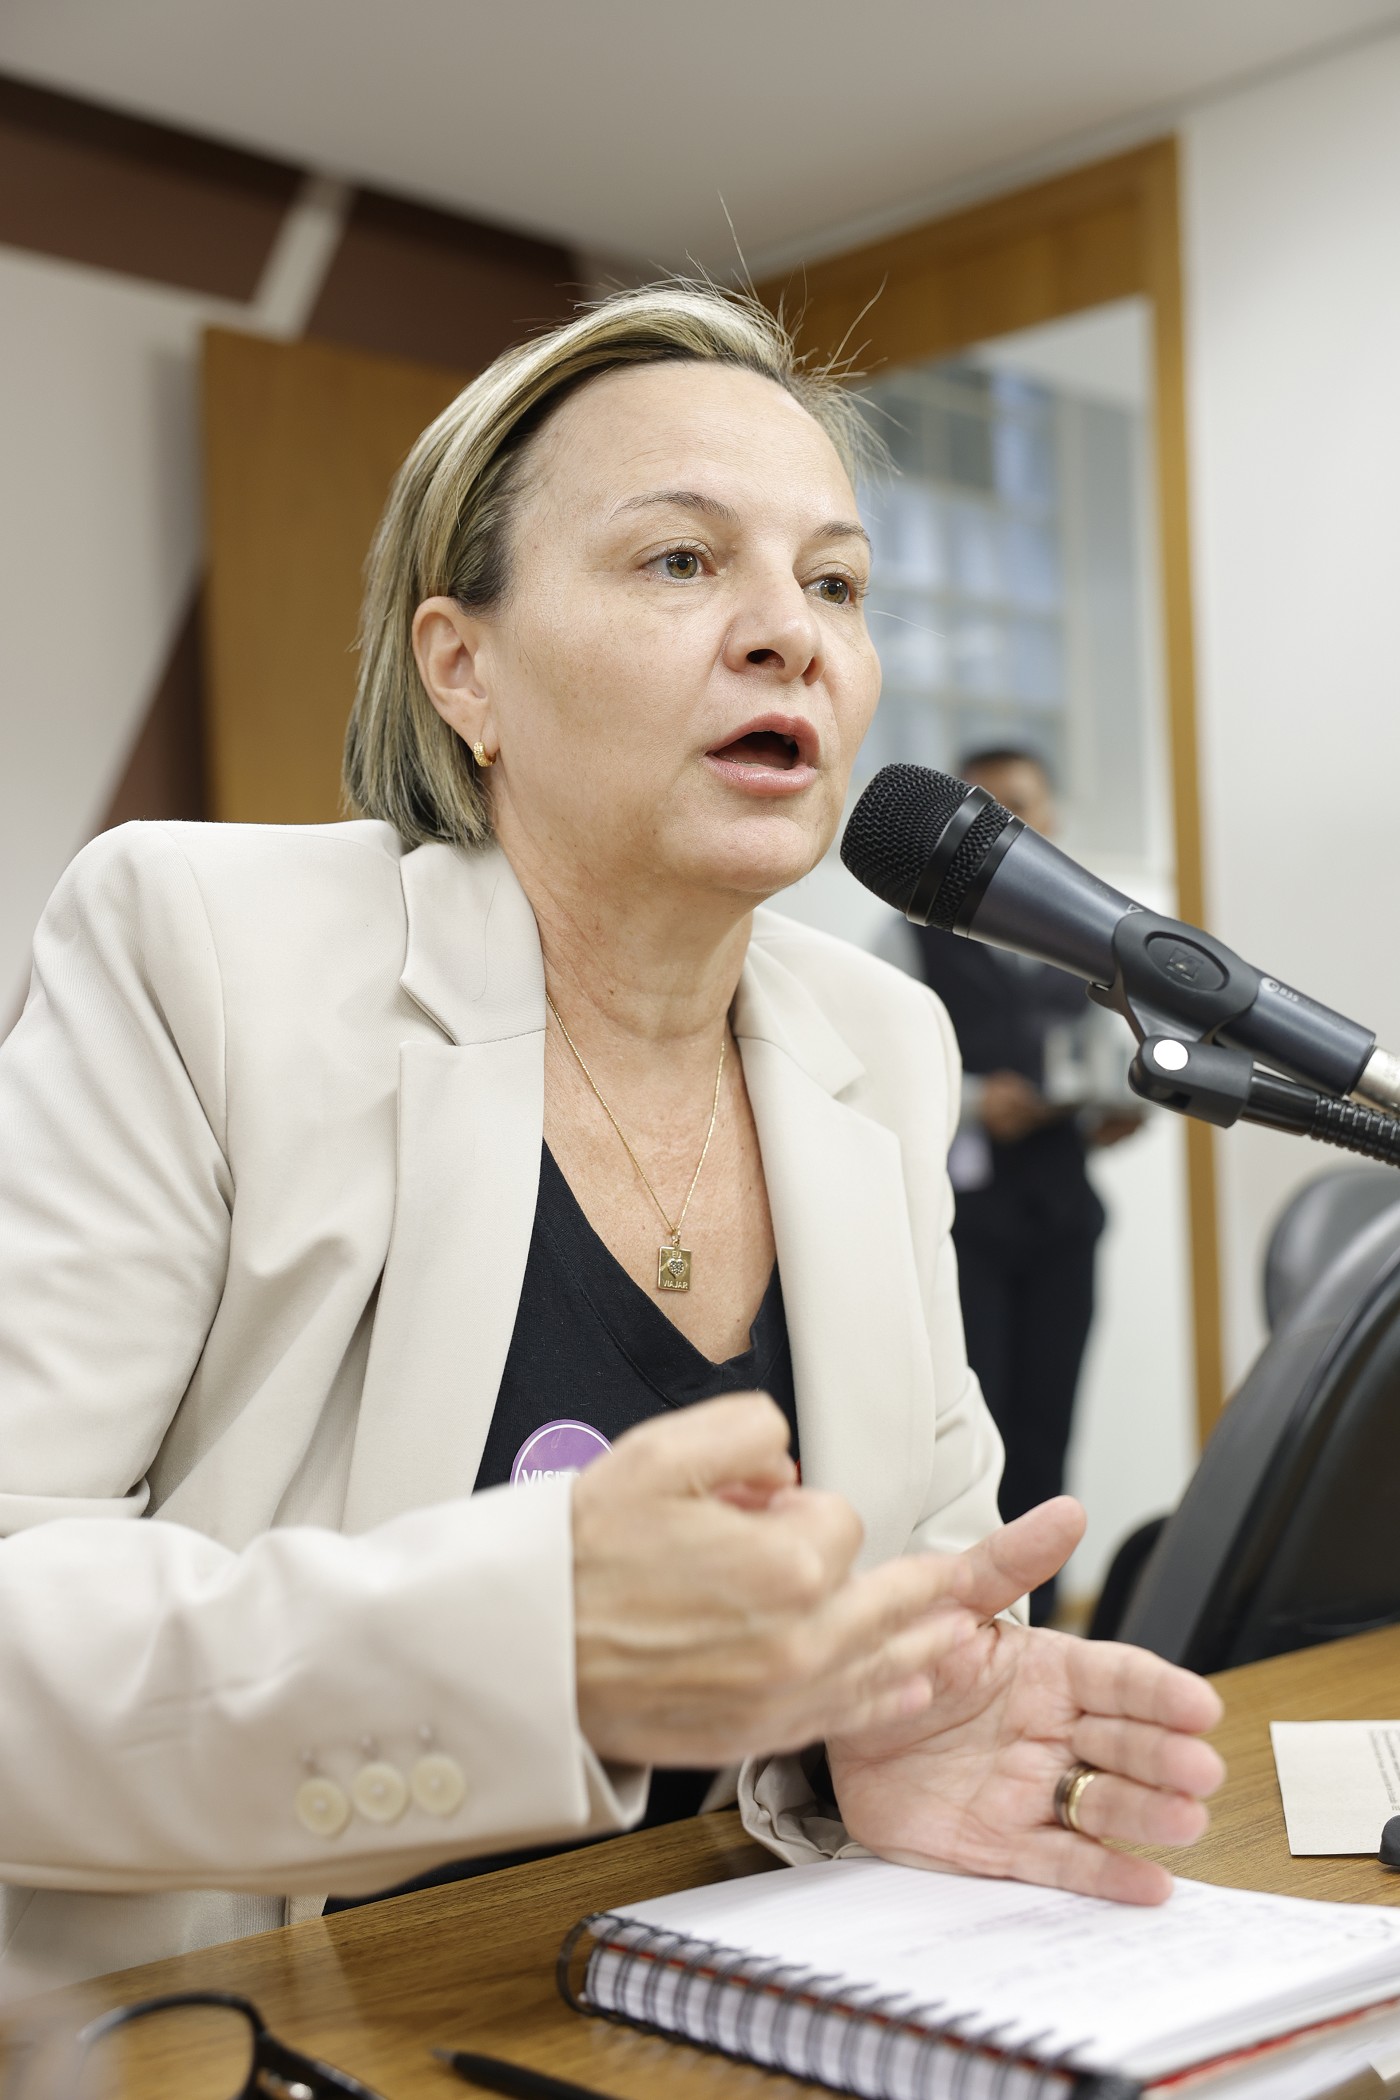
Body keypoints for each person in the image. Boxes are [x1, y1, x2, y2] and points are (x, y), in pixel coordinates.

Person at [0, 285, 1221, 1999]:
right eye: (681, 560)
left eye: (836, 584)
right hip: (246, 2023)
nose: (790, 633)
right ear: (464, 668)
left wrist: (871, 1737)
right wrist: (535, 1649)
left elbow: (930, 1584)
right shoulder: (200, 949)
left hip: (727, 2000)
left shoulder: (882, 1047)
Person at [907, 748, 1143, 1623]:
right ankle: (973, 1626)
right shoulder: (909, 935)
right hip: (966, 1230)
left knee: (1048, 1424)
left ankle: (1040, 1622)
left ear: (1052, 822)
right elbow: (878, 1071)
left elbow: (1115, 1066)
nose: (1006, 824)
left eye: (1021, 807)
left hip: (1062, 1221)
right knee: (977, 1434)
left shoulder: (1087, 944)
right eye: (986, 807)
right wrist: (976, 1105)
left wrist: (1118, 1108)